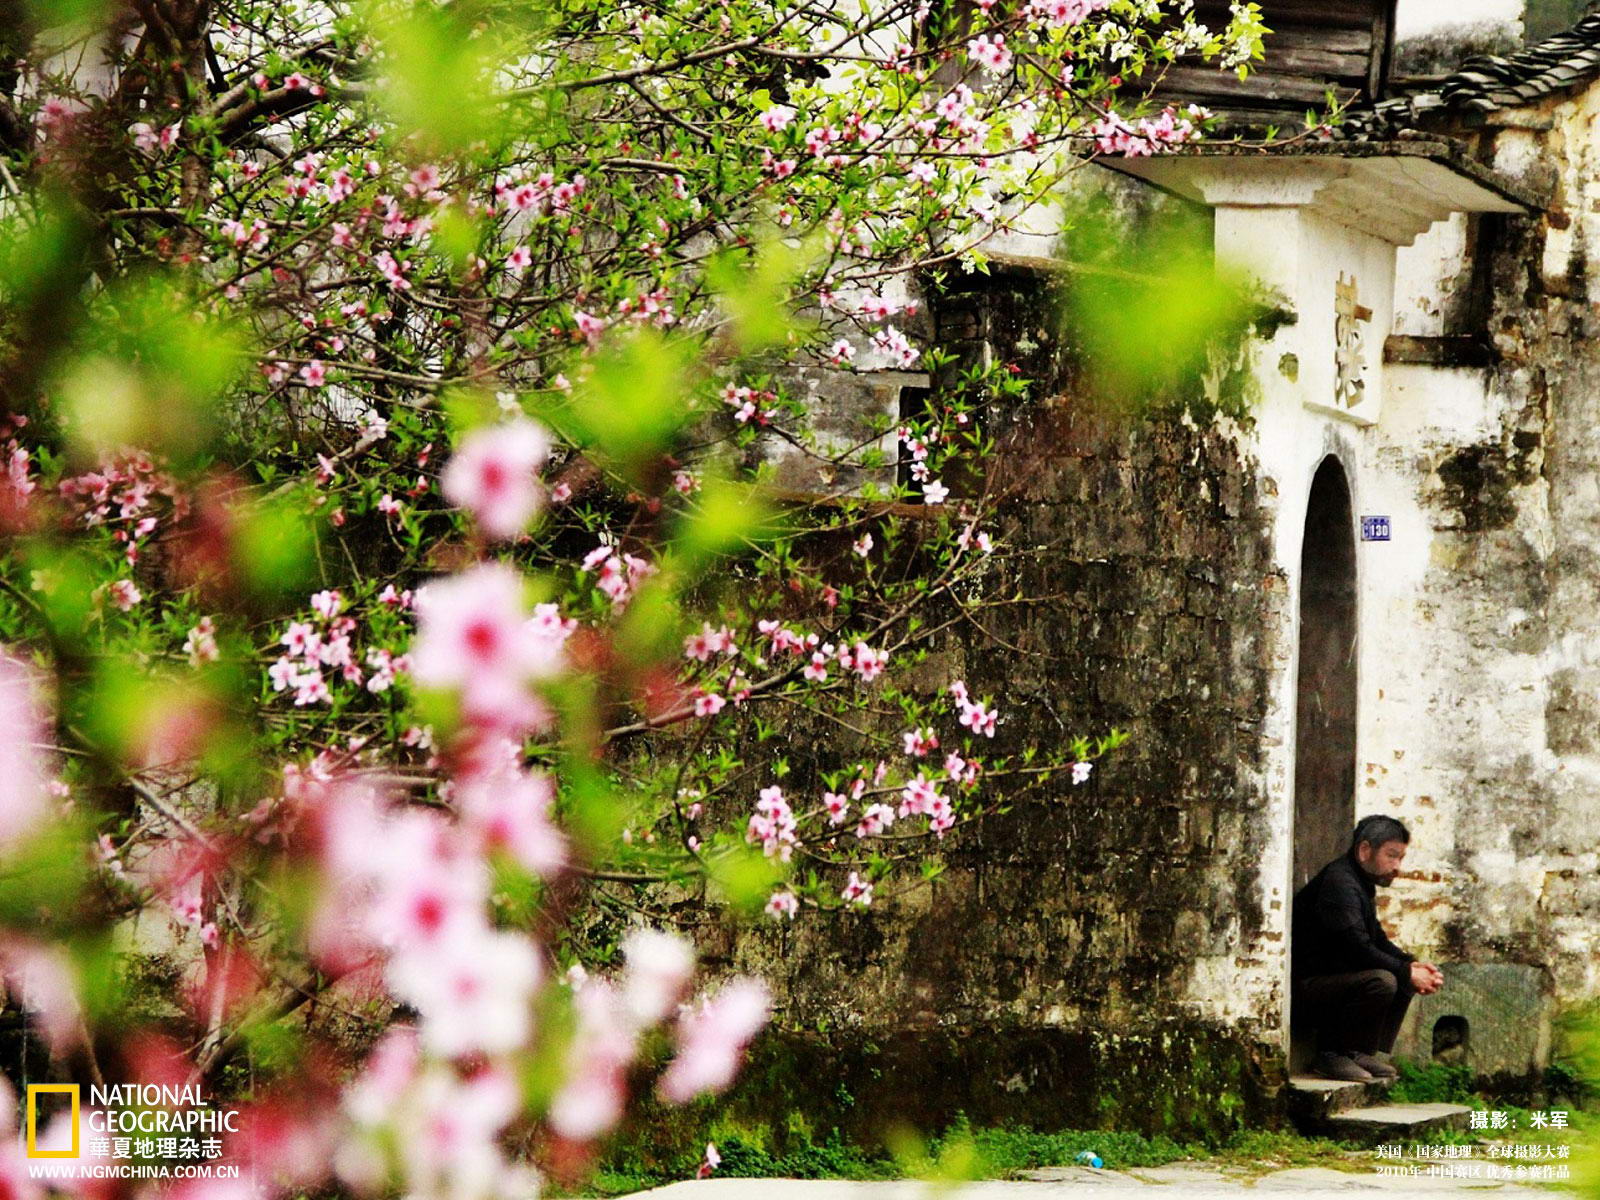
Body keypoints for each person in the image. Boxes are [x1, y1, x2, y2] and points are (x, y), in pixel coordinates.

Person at [1291, 815, 1445, 1082]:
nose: (1397, 867)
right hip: (1305, 990)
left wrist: (1411, 964)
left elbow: (1376, 939)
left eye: (1400, 858)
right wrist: (1404, 971)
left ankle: (1357, 1051)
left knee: (1400, 974)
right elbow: (1355, 948)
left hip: (1331, 984)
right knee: (1384, 980)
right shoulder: (1340, 883)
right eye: (1391, 856)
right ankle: (1331, 1054)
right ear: (1364, 851)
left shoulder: (1361, 883)